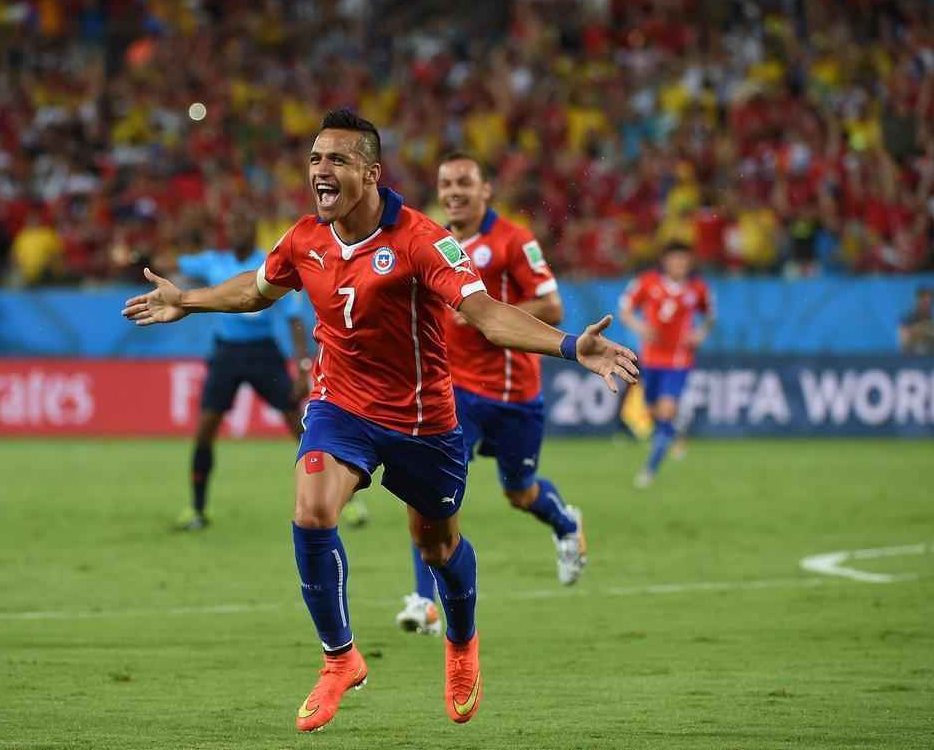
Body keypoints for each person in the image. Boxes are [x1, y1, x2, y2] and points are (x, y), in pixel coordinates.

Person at [122, 109, 639, 732]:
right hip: (340, 406)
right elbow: (257, 290)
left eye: (336, 160)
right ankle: (340, 659)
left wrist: (567, 346)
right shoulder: (305, 239)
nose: (321, 171)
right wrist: (188, 300)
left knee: (437, 545)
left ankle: (462, 643)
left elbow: (485, 315)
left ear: (370, 173)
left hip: (423, 420)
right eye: (315, 159)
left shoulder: (423, 240)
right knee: (312, 509)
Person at [394, 152, 588, 638]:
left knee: (519, 493)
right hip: (456, 392)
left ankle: (565, 522)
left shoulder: (515, 241)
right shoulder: (429, 242)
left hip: (517, 394)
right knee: (430, 489)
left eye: (464, 182)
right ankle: (425, 601)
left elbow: (553, 305)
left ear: (485, 192)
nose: (454, 192)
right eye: (446, 183)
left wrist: (487, 314)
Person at [175, 212, 336, 531]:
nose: (237, 229)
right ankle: (197, 508)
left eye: (243, 224)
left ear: (254, 230)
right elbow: (176, 265)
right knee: (206, 426)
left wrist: (304, 367)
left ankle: (339, 498)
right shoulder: (212, 261)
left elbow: (293, 319)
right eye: (233, 224)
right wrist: (145, 260)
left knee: (299, 424)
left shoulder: (271, 262)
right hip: (226, 353)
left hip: (263, 352)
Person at [619, 242, 714, 488]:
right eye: (675, 260)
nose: (679, 265)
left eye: (683, 261)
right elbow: (625, 310)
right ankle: (676, 432)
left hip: (679, 361)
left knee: (666, 409)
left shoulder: (698, 288)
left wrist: (700, 334)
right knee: (653, 411)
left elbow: (710, 316)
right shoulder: (647, 282)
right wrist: (640, 327)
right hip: (650, 359)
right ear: (665, 262)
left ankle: (649, 471)